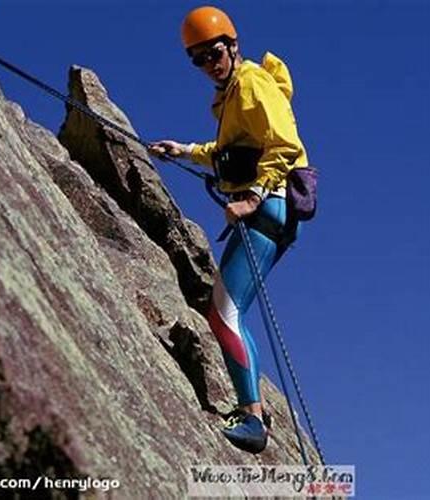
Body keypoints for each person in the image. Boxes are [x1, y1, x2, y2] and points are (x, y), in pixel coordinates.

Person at [150, 6, 309, 454]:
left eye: (214, 52)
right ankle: (253, 408)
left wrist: (252, 197)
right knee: (228, 309)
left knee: (224, 314)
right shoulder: (232, 94)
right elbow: (228, 150)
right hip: (267, 211)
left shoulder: (253, 83)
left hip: (267, 208)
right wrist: (183, 151)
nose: (208, 64)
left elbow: (284, 144)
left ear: (233, 45)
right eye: (197, 59)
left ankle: (253, 420)